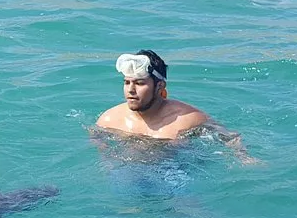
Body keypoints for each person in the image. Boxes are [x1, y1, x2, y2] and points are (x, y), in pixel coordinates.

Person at [96, 49, 256, 162]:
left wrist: (244, 157)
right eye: (126, 82)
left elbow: (229, 137)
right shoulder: (109, 120)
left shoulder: (189, 119)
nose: (130, 90)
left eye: (139, 83)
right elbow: (100, 146)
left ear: (159, 87)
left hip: (173, 171)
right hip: (127, 174)